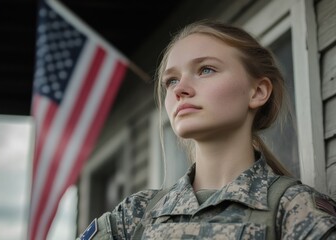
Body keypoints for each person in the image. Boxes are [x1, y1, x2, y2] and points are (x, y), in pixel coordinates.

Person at [77, 19, 336, 240]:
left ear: (257, 91)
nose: (180, 89)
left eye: (206, 69)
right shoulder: (135, 215)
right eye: (172, 80)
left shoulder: (295, 208)